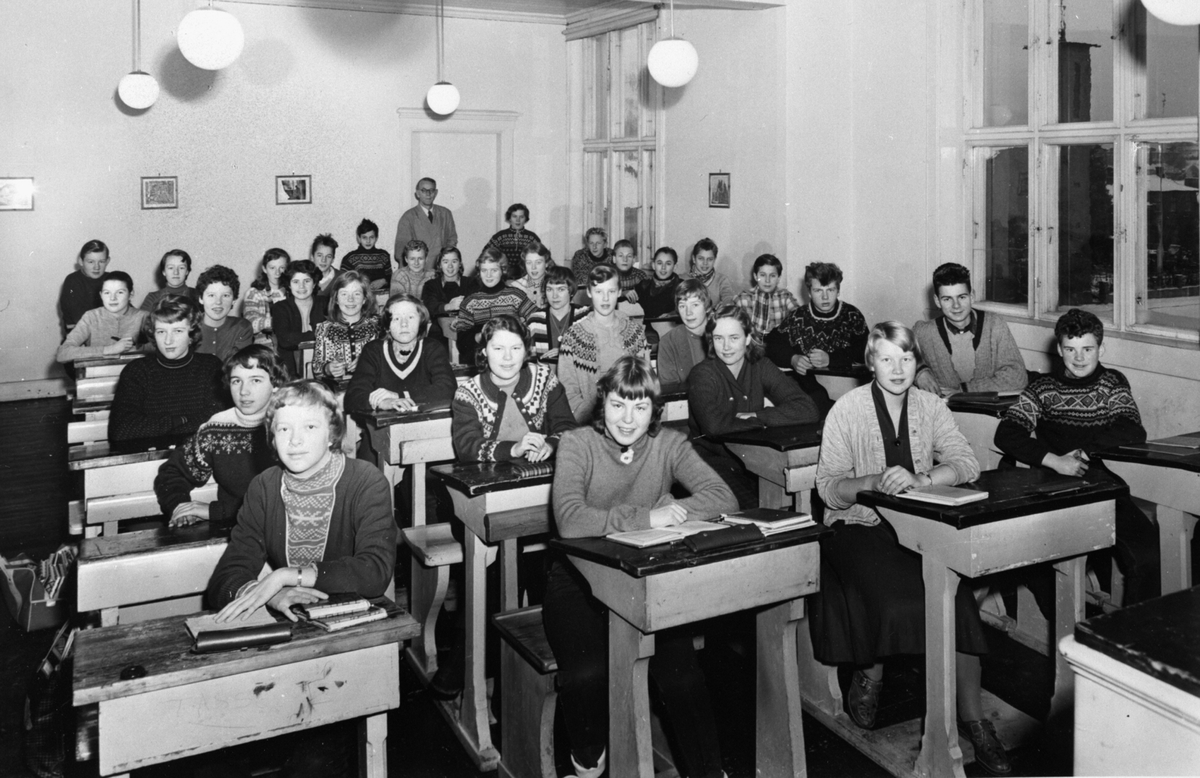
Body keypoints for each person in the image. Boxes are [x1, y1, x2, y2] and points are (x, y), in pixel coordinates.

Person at [809, 321, 1008, 776]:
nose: (897, 368)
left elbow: (965, 461)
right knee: (895, 600)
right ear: (870, 362)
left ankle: (975, 724)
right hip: (858, 526)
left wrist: (924, 479)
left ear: (917, 362)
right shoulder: (847, 408)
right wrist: (872, 482)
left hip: (919, 527)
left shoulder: (931, 405)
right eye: (886, 358)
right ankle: (871, 671)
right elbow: (828, 490)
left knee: (957, 604)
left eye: (906, 358)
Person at [544, 355, 733, 778]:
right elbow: (571, 521)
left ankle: (709, 772)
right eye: (618, 405)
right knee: (587, 672)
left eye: (640, 407)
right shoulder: (577, 444)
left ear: (654, 411)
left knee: (682, 676)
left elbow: (722, 497)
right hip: (577, 578)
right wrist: (648, 516)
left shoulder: (669, 443)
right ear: (602, 404)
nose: (628, 419)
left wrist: (677, 507)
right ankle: (588, 763)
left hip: (645, 578)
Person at [207, 379, 397, 778]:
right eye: (283, 429)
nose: (294, 441)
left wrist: (286, 575)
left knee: (312, 762)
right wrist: (271, 595)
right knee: (218, 743)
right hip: (289, 636)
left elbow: (374, 571)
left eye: (309, 427)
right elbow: (228, 574)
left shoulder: (365, 481)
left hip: (350, 637)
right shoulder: (264, 486)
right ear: (270, 437)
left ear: (332, 433)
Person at [994, 308, 1160, 604]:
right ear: (1059, 349)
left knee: (1149, 556)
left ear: (1101, 348)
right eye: (1070, 349)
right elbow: (1007, 433)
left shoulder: (1112, 382)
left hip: (1104, 488)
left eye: (1088, 349)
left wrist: (1084, 453)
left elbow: (1131, 428)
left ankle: (1128, 642)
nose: (1079, 358)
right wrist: (1056, 461)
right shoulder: (1042, 387)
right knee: (1039, 567)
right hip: (1052, 490)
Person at [688, 305, 819, 507]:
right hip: (710, 458)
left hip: (752, 457)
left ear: (748, 338)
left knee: (792, 501)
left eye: (734, 338)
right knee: (752, 508)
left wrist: (758, 416)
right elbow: (714, 427)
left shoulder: (761, 365)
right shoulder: (702, 374)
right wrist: (760, 422)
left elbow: (808, 409)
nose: (726, 347)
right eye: (718, 338)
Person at [155, 345, 287, 529]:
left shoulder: (290, 425)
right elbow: (173, 474)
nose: (244, 391)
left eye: (255, 380)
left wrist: (216, 512)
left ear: (276, 385)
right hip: (234, 530)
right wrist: (180, 507)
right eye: (236, 381)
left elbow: (293, 499)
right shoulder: (216, 428)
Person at [108, 296, 227, 452]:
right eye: (161, 331)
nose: (168, 341)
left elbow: (218, 422)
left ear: (191, 335)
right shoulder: (137, 371)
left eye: (177, 331)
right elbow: (121, 430)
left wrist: (157, 426)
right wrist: (182, 421)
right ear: (153, 334)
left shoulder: (210, 366)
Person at [452, 314, 575, 463]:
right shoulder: (468, 394)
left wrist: (550, 445)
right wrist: (514, 449)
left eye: (516, 348)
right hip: (488, 478)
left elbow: (567, 427)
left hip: (538, 471)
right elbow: (466, 447)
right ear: (484, 351)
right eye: (498, 348)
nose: (507, 357)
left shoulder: (544, 379)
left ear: (525, 350)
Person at [769, 261, 870, 414]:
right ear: (809, 292)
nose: (824, 297)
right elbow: (772, 343)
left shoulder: (851, 315)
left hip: (847, 387)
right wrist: (792, 358)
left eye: (830, 290)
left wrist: (831, 359)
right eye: (818, 290)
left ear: (838, 291)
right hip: (811, 389)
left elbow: (867, 351)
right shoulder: (798, 316)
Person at [913, 262, 1028, 396]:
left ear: (972, 296)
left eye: (962, 297)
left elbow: (1017, 377)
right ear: (937, 301)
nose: (956, 306)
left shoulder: (994, 325)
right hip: (944, 412)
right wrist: (919, 372)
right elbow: (895, 354)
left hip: (985, 411)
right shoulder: (923, 332)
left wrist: (965, 390)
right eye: (947, 299)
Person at [558, 264, 649, 423]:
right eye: (599, 292)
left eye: (611, 291)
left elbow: (645, 382)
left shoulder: (635, 333)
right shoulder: (573, 337)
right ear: (589, 292)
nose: (605, 299)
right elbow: (568, 391)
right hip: (590, 423)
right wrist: (593, 419)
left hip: (631, 420)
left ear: (620, 292)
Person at [344, 294, 458, 417]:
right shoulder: (373, 350)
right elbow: (353, 397)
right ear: (388, 325)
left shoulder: (432, 348)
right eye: (397, 318)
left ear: (421, 322)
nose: (404, 324)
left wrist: (399, 396)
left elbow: (448, 389)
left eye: (410, 317)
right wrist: (383, 403)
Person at [453, 247, 537, 360]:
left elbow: (537, 319)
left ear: (503, 270)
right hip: (483, 357)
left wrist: (523, 333)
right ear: (479, 272)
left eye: (494, 270)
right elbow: (462, 343)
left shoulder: (515, 295)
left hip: (512, 355)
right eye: (484, 270)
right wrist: (480, 336)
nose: (488, 275)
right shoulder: (470, 302)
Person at [56, 271, 148, 362]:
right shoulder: (91, 317)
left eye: (120, 292)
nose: (112, 298)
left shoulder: (143, 316)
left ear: (131, 294)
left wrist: (138, 349)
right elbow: (63, 353)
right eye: (107, 293)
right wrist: (109, 349)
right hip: (97, 373)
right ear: (101, 295)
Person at [313, 270, 381, 382]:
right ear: (336, 299)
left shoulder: (377, 326)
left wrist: (367, 363)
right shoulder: (324, 329)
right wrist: (328, 369)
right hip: (339, 391)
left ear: (364, 299)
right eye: (344, 294)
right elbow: (317, 369)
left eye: (357, 294)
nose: (350, 299)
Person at [271, 260, 328, 376]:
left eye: (307, 281)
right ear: (288, 284)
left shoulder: (325, 303)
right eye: (295, 281)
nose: (301, 286)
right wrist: (320, 333)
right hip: (290, 369)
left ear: (314, 283)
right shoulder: (280, 307)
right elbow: (285, 340)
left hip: (324, 365)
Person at [655, 279, 711, 393]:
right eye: (682, 306)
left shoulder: (720, 334)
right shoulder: (668, 341)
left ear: (707, 307)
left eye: (695, 305)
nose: (688, 312)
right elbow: (670, 389)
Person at [528, 265, 589, 360]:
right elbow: (530, 360)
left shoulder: (585, 316)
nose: (554, 296)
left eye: (561, 289)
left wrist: (566, 351)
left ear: (571, 290)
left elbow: (595, 353)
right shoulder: (535, 320)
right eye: (549, 289)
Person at [194, 264, 254, 362]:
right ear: (201, 298)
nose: (218, 302)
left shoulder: (242, 328)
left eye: (225, 295)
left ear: (234, 300)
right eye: (211, 295)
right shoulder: (189, 327)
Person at [732, 253, 800, 338]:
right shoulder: (743, 299)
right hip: (751, 345)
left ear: (778, 278)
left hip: (776, 344)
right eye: (763, 275)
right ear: (755, 276)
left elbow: (799, 316)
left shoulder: (785, 297)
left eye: (772, 276)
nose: (767, 280)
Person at [394, 176, 458, 264]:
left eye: (431, 190)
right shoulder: (408, 217)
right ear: (417, 193)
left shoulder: (445, 214)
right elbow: (400, 250)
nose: (428, 194)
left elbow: (452, 239)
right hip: (418, 269)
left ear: (435, 193)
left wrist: (445, 258)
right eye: (424, 190)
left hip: (440, 268)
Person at [59, 239, 110, 332]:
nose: (96, 267)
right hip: (79, 336)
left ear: (107, 261)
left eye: (101, 261)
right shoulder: (72, 281)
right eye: (91, 262)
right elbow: (80, 319)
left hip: (107, 332)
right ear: (81, 261)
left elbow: (127, 310)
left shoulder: (112, 279)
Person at [242, 248, 290, 347]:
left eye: (282, 268)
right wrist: (280, 321)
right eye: (272, 268)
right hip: (265, 349)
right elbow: (250, 324)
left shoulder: (292, 292)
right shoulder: (254, 293)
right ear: (264, 269)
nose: (277, 273)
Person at [340, 218, 392, 301]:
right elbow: (344, 283)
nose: (368, 241)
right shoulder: (350, 258)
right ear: (359, 238)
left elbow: (391, 278)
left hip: (382, 298)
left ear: (376, 238)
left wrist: (384, 281)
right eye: (364, 237)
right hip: (358, 299)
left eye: (371, 237)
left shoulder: (384, 256)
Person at [486, 203, 540, 281]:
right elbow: (486, 254)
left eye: (521, 217)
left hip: (526, 277)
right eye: (514, 216)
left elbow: (542, 257)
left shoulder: (532, 238)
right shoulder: (500, 236)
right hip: (503, 277)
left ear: (526, 219)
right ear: (509, 218)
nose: (518, 220)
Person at [634, 246, 684, 320]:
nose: (663, 267)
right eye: (659, 263)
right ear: (653, 265)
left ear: (675, 266)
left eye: (668, 263)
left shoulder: (682, 286)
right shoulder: (643, 285)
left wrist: (674, 314)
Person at [684, 237, 735, 309]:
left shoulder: (721, 280)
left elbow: (728, 298)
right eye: (701, 258)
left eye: (710, 259)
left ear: (714, 260)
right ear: (693, 259)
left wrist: (726, 304)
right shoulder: (682, 279)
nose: (705, 263)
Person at [509, 240, 552, 309]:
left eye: (538, 262)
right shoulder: (515, 287)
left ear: (546, 263)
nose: (533, 267)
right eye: (529, 263)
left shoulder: (557, 285)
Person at [310, 234, 342, 298]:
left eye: (328, 256)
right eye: (319, 255)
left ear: (333, 259)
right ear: (312, 257)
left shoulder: (342, 278)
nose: (323, 260)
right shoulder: (304, 278)